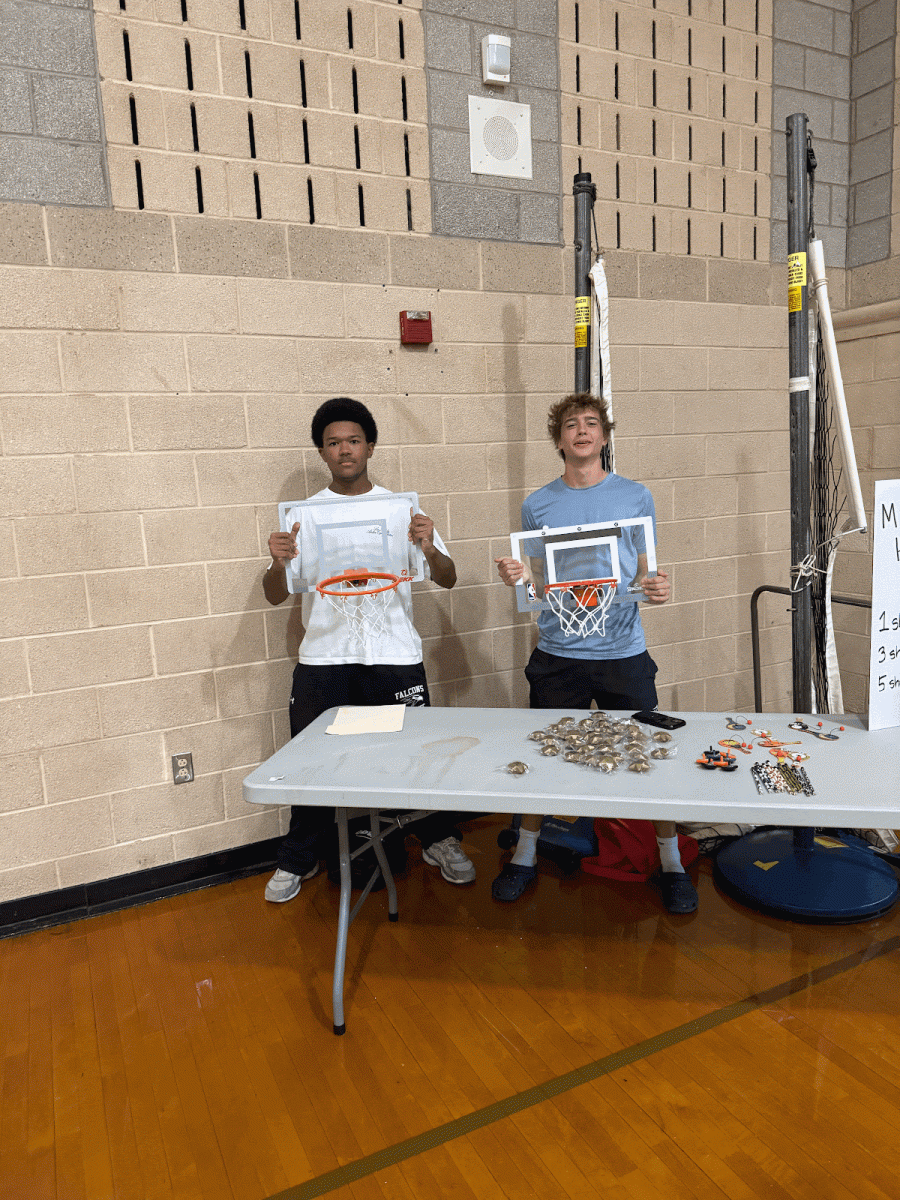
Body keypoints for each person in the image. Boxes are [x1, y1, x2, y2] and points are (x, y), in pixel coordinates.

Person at [262, 396, 476, 902]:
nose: (344, 450)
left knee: (415, 757)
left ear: (370, 446)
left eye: (353, 440)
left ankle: (438, 838)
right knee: (309, 761)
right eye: (333, 442)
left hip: (393, 654)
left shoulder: (401, 509)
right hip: (324, 659)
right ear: (322, 452)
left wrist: (429, 547)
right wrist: (276, 562)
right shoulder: (303, 517)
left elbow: (447, 579)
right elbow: (276, 593)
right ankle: (299, 856)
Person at [493, 391, 697, 914]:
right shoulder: (538, 504)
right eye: (569, 425)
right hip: (559, 652)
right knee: (543, 756)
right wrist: (519, 579)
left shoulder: (635, 496)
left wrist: (655, 587)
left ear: (604, 437)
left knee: (650, 755)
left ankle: (671, 861)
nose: (580, 431)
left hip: (622, 650)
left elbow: (645, 571)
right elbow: (537, 583)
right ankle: (525, 852)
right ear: (558, 440)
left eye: (590, 424)